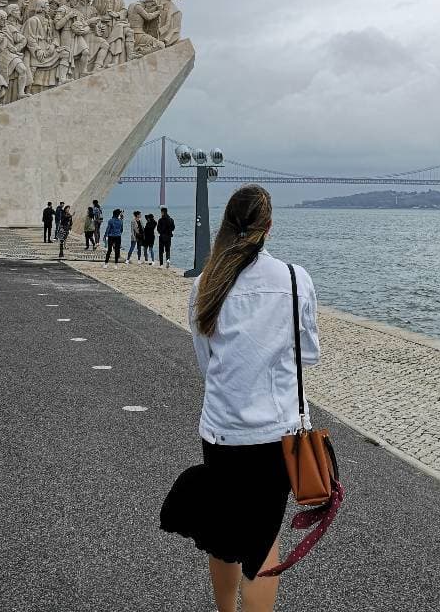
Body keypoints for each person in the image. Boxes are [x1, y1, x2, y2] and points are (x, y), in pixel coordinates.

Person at [160, 185, 320, 610]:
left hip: (222, 432)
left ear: (227, 225)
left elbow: (207, 361)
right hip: (276, 433)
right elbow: (310, 353)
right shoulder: (294, 279)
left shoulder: (205, 283)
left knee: (224, 532)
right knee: (263, 543)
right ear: (269, 228)